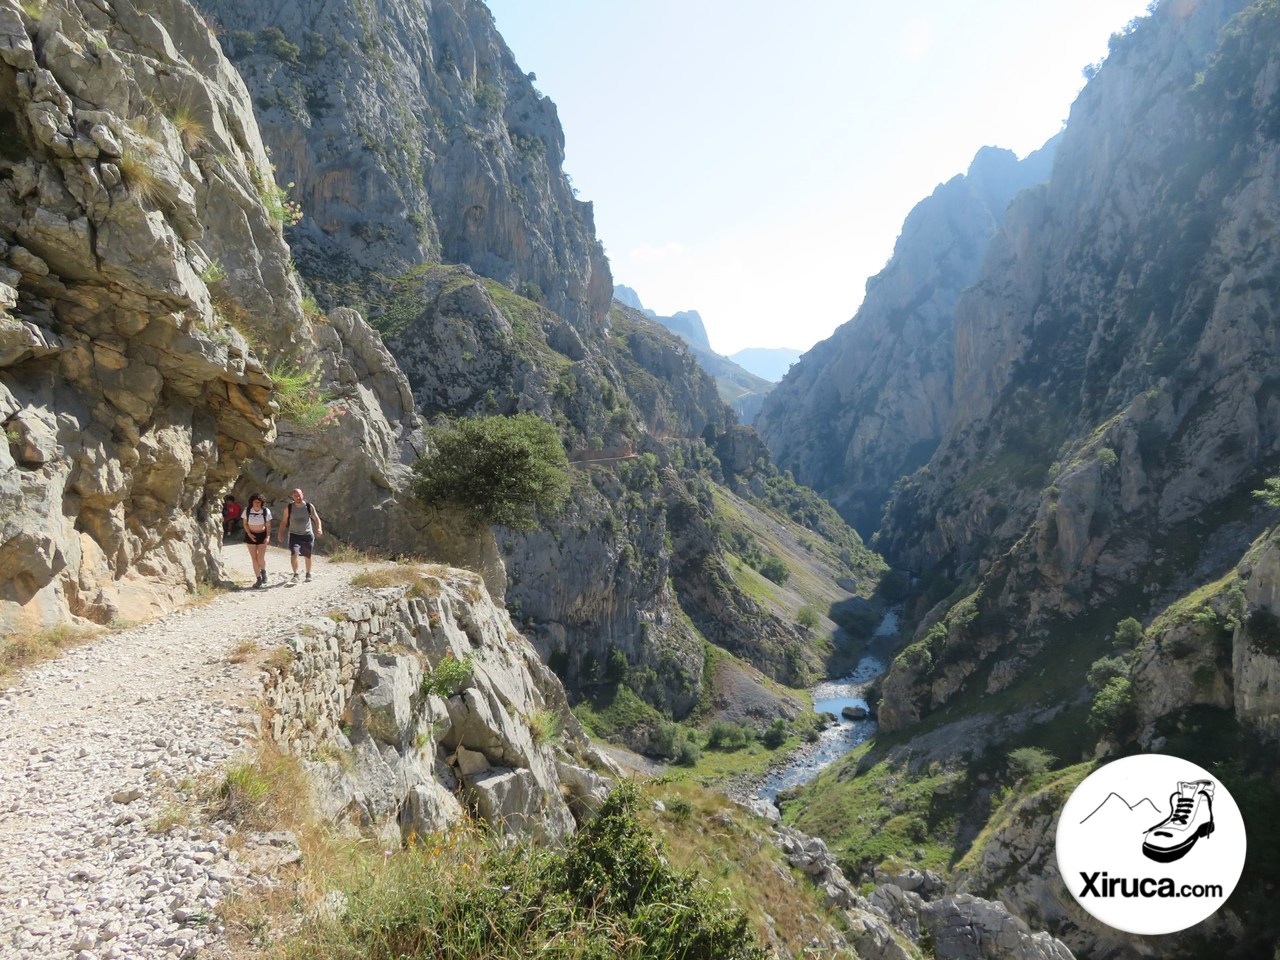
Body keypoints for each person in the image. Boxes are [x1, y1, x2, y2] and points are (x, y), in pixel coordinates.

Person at [278, 488, 322, 582]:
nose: (298, 497)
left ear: (303, 494)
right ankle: (296, 574)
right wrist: (280, 533)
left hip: (307, 534)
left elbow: (316, 518)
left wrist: (319, 528)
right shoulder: (289, 508)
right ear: (292, 497)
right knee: (294, 553)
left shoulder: (309, 506)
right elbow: (284, 521)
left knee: (307, 555)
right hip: (294, 534)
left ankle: (308, 573)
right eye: (295, 496)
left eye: (299, 495)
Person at [242, 493, 273, 588]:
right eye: (255, 502)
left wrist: (267, 536)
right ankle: (258, 578)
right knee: (254, 558)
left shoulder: (265, 511)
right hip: (251, 535)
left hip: (262, 535)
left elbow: (268, 525)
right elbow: (245, 524)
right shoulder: (247, 510)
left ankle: (263, 571)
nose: (257, 504)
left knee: (260, 558)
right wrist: (249, 534)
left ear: (262, 503)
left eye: (259, 502)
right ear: (252, 502)